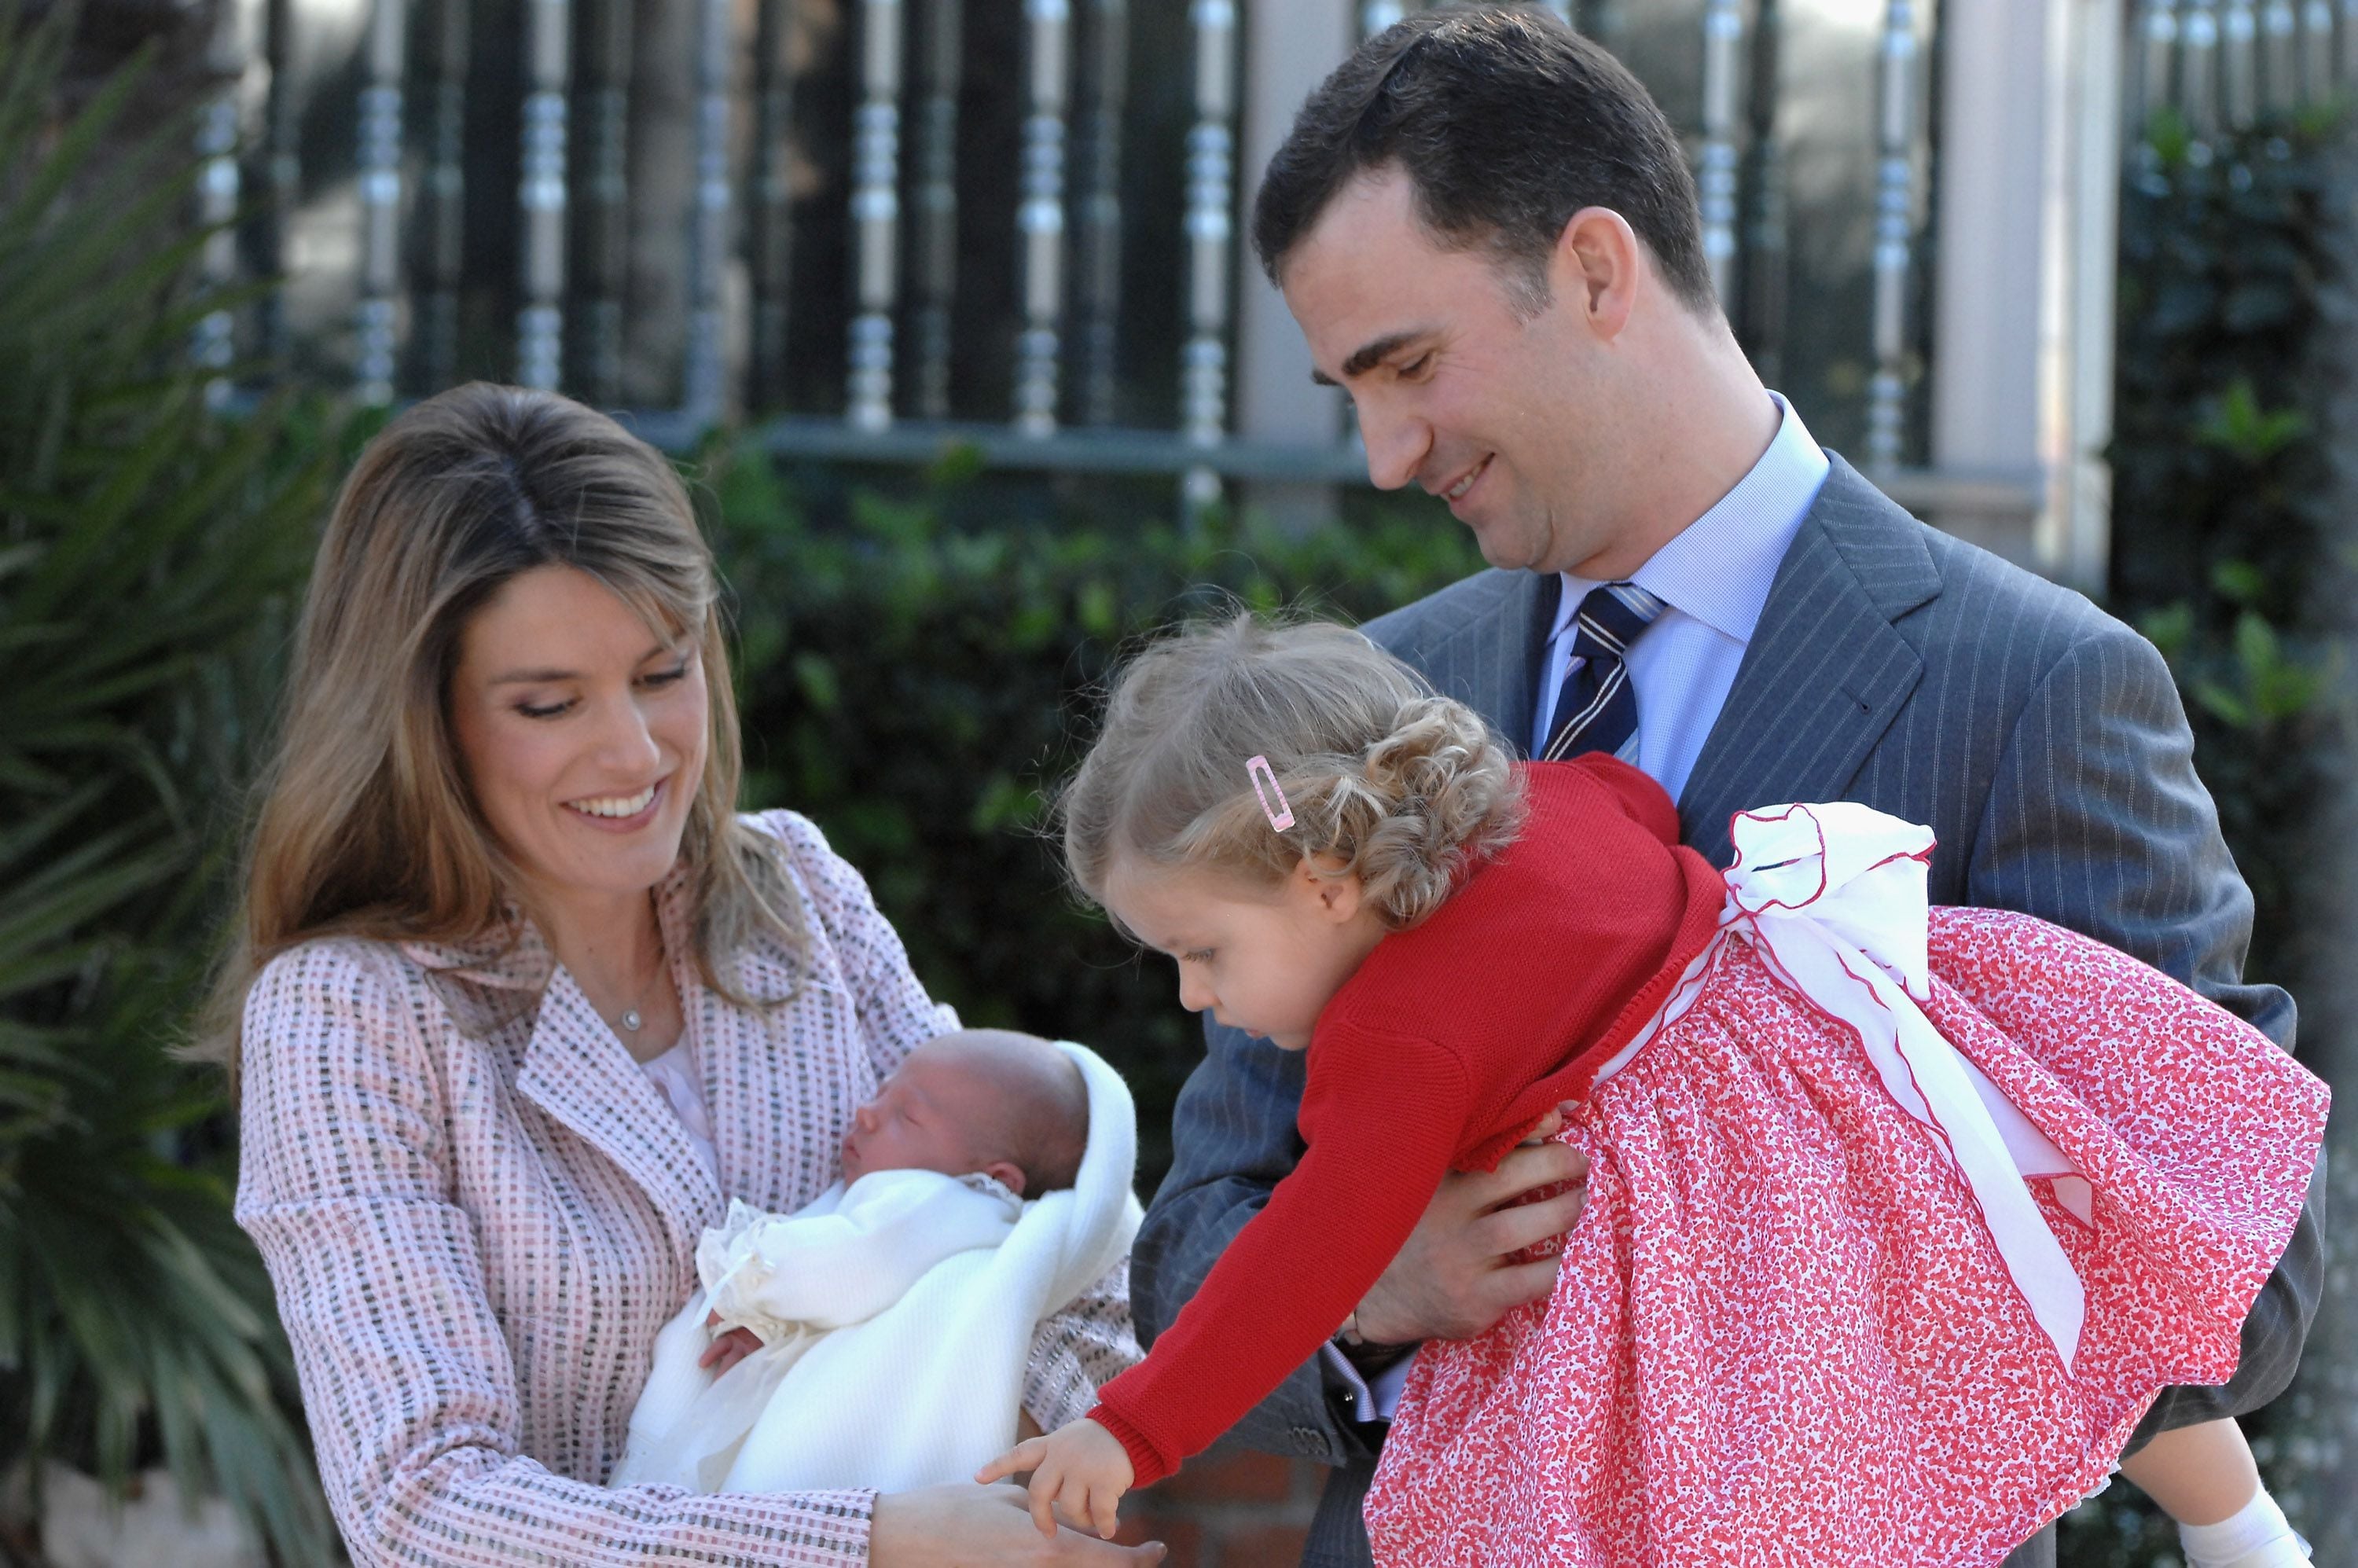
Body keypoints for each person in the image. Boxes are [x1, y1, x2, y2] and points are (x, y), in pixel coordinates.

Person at [1129, 10, 2327, 1568]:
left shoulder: (2031, 683)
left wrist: (1829, 1257)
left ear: (1598, 273)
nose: (1380, 451)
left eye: (1407, 365)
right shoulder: (1368, 693)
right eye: (1348, 387)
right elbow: (1192, 1239)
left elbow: (2252, 1280)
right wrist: (1370, 1285)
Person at [979, 615, 2325, 1564]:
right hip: (1845, 1091)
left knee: (1707, 1480)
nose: (1193, 998)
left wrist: (1133, 1430)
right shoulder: (1547, 801)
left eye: (1202, 953)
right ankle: (2238, 1525)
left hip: (1716, 1223)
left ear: (1326, 885)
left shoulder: (1397, 1044)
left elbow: (1302, 1258)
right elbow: (1632, 798)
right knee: (2048, 1292)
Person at [205, 383, 1164, 1566]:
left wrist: (998, 1420)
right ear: (422, 721)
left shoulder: (796, 892)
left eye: (663, 672)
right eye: (549, 702)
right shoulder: (350, 1014)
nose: (636, 750)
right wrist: (869, 1536)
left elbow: (1070, 1260)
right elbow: (423, 1502)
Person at [615, 1030, 1141, 1497]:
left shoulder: (944, 1201)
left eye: (905, 1114)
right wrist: (772, 1333)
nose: (866, 1111)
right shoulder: (945, 1202)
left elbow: (848, 1267)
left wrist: (752, 1289)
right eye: (882, 1090)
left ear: (996, 1179)